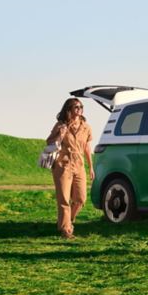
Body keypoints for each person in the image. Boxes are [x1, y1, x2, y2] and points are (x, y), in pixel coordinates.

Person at [46, 97, 94, 240]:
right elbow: (49, 142)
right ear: (69, 109)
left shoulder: (86, 127)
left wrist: (91, 167)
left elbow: (86, 147)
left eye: (81, 107)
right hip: (63, 164)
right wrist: (60, 135)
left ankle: (68, 220)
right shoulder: (60, 125)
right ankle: (66, 230)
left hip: (79, 165)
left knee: (81, 198)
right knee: (64, 199)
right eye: (76, 107)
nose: (79, 109)